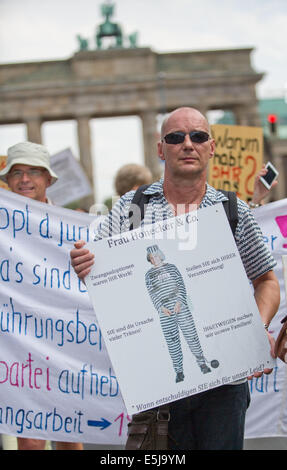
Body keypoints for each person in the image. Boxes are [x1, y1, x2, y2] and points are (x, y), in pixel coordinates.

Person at [70, 107, 280, 450]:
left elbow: (267, 281)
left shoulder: (233, 210)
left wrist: (254, 326)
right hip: (157, 383)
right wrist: (84, 262)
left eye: (197, 136)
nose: (187, 144)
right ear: (160, 149)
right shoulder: (130, 208)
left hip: (225, 380)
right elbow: (99, 271)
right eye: (175, 137)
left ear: (211, 147)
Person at [0, 141, 83, 451]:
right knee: (31, 441)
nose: (24, 180)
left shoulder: (73, 225)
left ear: (49, 179)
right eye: (17, 172)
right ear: (6, 181)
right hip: (17, 346)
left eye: (33, 172)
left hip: (65, 342)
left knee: (68, 433)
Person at [145, 244, 218, 382]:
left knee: (191, 335)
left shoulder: (172, 268)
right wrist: (161, 307)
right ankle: (179, 371)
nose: (154, 259)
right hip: (164, 311)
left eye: (155, 256)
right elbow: (152, 293)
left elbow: (181, 285)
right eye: (151, 258)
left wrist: (179, 301)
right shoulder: (148, 275)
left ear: (160, 255)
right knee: (172, 341)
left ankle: (202, 363)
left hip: (180, 306)